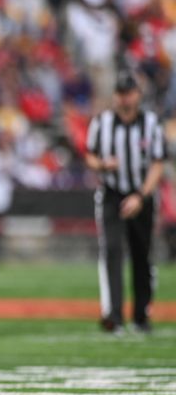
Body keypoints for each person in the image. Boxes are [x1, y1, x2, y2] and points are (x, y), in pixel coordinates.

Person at [85, 70, 166, 334]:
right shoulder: (102, 123)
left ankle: (141, 315)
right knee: (112, 250)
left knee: (142, 255)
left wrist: (141, 196)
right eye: (120, 93)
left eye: (128, 93)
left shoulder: (151, 123)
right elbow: (90, 156)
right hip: (111, 193)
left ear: (138, 95)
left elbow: (157, 163)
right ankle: (113, 315)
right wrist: (103, 165)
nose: (124, 99)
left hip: (141, 194)